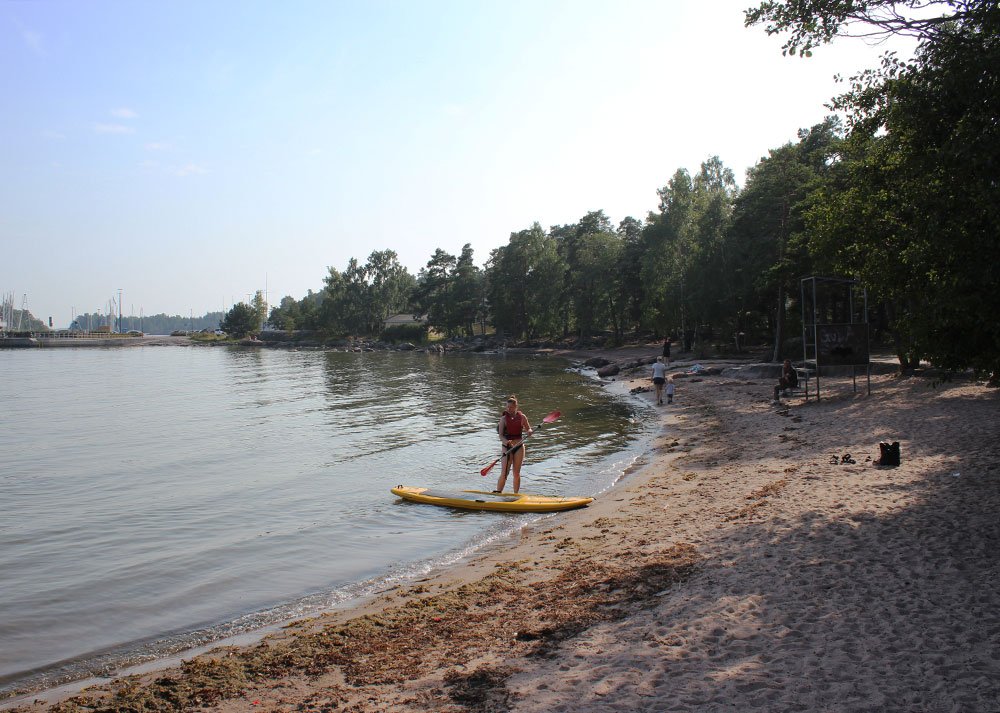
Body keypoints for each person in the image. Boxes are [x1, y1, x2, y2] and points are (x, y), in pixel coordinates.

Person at [495, 395, 533, 494]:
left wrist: (529, 431)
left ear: (516, 407)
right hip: (506, 447)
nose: (509, 409)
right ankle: (498, 493)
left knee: (516, 473)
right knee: (504, 473)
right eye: (507, 407)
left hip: (519, 446)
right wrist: (506, 442)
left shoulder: (522, 417)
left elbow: (528, 428)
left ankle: (515, 494)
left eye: (511, 407)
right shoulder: (503, 419)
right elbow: (501, 436)